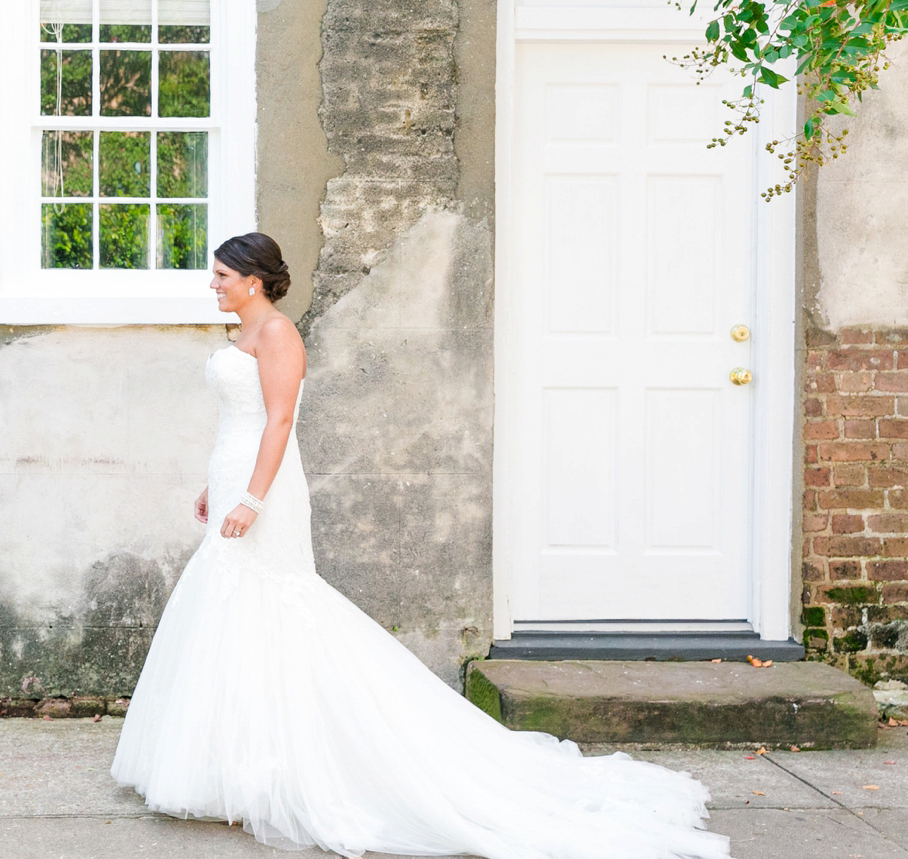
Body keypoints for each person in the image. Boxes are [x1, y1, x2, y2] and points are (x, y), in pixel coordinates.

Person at [110, 232, 729, 859]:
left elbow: (279, 420)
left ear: (252, 278)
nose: (211, 285)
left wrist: (252, 498)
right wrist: (216, 486)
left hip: (265, 491)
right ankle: (235, 766)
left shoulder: (277, 336)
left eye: (220, 275)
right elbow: (240, 423)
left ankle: (289, 766)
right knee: (231, 611)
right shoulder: (241, 337)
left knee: (272, 606)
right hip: (236, 472)